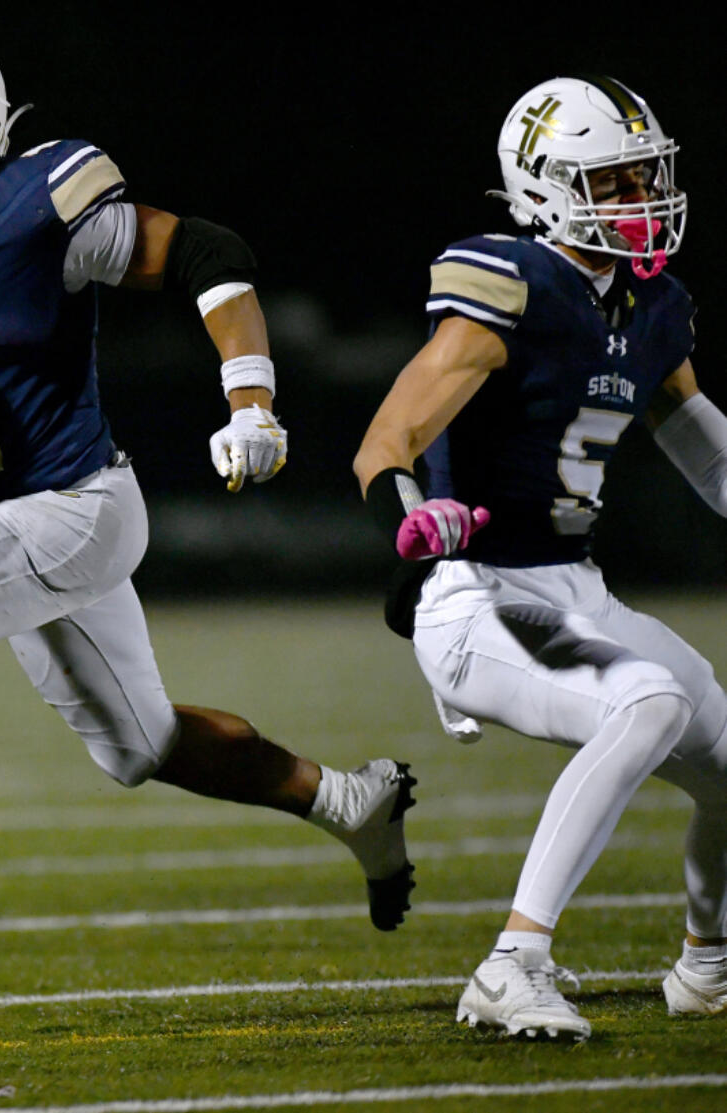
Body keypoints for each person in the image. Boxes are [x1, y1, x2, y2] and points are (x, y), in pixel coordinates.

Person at [0, 22, 417, 984]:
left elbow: (208, 250)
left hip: (78, 505)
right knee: (143, 745)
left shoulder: (42, 200)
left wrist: (251, 394)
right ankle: (349, 801)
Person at [353, 74, 727, 1040]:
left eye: (646, 173)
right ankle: (513, 960)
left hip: (577, 589)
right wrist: (417, 515)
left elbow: (702, 447)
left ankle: (707, 966)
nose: (641, 196)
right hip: (477, 596)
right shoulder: (506, 285)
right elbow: (384, 442)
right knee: (650, 697)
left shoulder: (653, 303)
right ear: (548, 188)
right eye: (614, 181)